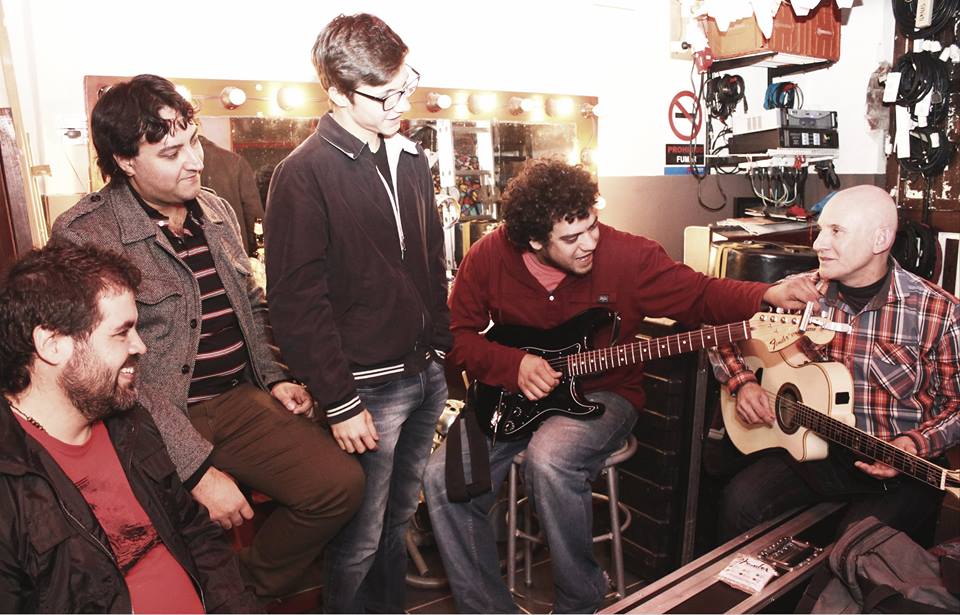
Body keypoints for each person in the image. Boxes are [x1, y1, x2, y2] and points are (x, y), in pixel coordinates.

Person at [420, 158, 820, 614]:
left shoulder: (629, 255)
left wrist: (766, 294)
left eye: (593, 225)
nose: (590, 242)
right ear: (534, 241)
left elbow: (700, 294)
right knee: (442, 481)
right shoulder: (489, 257)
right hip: (508, 395)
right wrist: (514, 364)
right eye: (572, 238)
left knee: (550, 460)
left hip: (602, 392)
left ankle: (581, 599)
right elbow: (455, 336)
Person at [51, 74, 364, 602]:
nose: (195, 161)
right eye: (172, 153)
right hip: (150, 414)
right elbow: (107, 365)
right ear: (125, 161)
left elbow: (250, 306)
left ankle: (240, 590)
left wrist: (274, 377)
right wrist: (195, 469)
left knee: (340, 486)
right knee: (172, 536)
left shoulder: (216, 210)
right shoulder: (86, 233)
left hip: (236, 400)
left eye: (193, 141)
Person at [264, 13, 451, 613]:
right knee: (359, 540)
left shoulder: (410, 157)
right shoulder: (302, 173)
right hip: (366, 389)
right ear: (339, 93)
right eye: (386, 94)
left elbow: (429, 261)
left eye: (406, 85)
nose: (403, 103)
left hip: (423, 372)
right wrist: (340, 401)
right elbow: (296, 302)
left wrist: (440, 347)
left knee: (398, 524)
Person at [0, 240, 259, 613]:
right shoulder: (11, 478)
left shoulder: (130, 421)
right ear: (52, 344)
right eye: (121, 332)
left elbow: (197, 535)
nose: (140, 347)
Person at [715, 184, 959, 542]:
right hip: (816, 448)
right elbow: (722, 332)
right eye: (820, 229)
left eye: (836, 231)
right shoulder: (798, 294)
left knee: (859, 546)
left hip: (898, 466)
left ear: (880, 239)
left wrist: (913, 444)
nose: (818, 243)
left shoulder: (938, 312)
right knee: (739, 505)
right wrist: (744, 382)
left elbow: (957, 406)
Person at [199, 134, 265, 255]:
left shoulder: (180, 165)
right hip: (234, 252)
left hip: (197, 254)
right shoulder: (235, 162)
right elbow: (254, 216)